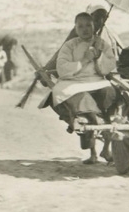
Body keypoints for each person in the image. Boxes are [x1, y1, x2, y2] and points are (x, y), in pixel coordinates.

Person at [39, 12, 117, 164]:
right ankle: (93, 152)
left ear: (94, 26)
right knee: (85, 106)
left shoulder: (101, 44)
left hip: (97, 81)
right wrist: (83, 60)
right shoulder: (69, 46)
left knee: (112, 95)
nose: (85, 29)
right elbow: (62, 67)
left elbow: (109, 65)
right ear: (75, 28)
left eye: (88, 25)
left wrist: (99, 57)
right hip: (74, 83)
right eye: (80, 26)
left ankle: (105, 148)